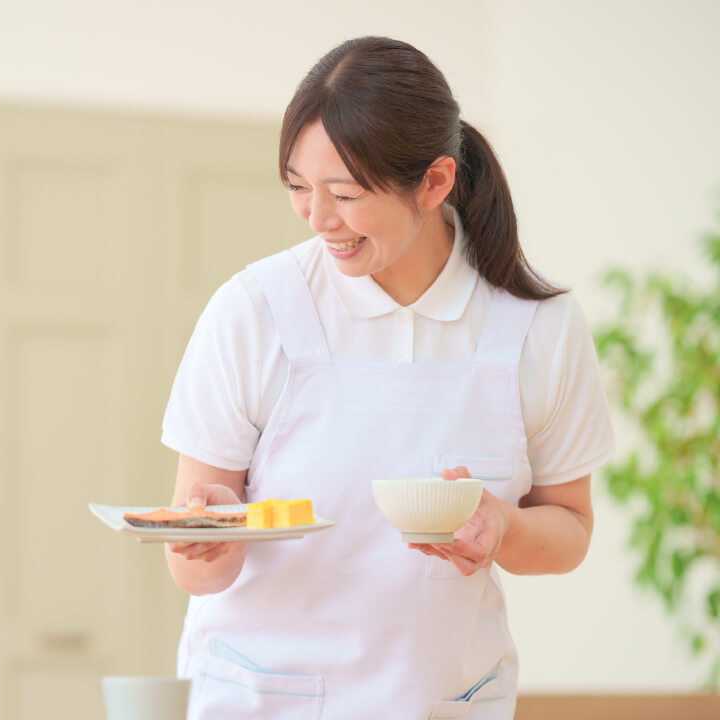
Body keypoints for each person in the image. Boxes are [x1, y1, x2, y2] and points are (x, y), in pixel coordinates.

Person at [160, 36, 613, 719]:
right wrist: (210, 534)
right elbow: (193, 569)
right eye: (298, 187)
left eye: (345, 194)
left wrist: (501, 527)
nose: (318, 220)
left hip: (439, 700)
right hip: (262, 699)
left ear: (434, 182)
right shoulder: (254, 311)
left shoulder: (535, 326)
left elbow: (570, 529)